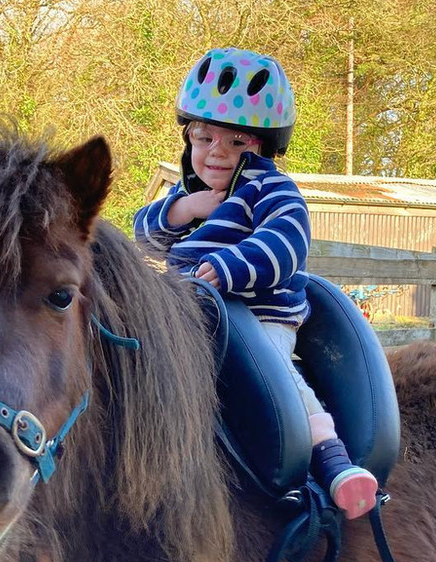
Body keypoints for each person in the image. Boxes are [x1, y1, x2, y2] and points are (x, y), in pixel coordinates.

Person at [133, 47, 379, 519]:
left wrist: (229, 267)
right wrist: (183, 210)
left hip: (259, 314)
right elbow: (142, 237)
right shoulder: (187, 195)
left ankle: (333, 463)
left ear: (263, 148)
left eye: (236, 143)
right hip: (191, 315)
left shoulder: (272, 190)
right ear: (188, 139)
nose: (216, 153)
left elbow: (285, 243)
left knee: (280, 378)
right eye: (204, 139)